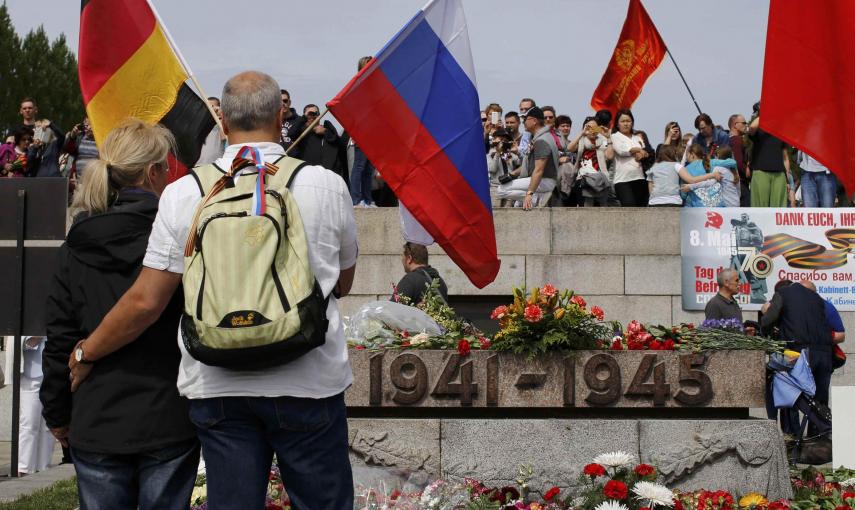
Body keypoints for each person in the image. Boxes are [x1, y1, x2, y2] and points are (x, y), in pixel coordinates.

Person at [65, 71, 357, 508]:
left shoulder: (185, 193)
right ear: (282, 116)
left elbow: (147, 300)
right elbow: (343, 282)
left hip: (218, 381)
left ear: (223, 124)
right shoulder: (325, 184)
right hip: (308, 378)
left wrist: (87, 353)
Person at [40, 119, 199, 509]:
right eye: (165, 166)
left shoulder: (76, 245)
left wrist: (57, 412)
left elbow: (60, 335)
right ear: (153, 173)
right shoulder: (178, 240)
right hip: (166, 413)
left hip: (99, 416)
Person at [761, 280, 833, 434]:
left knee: (790, 397)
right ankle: (819, 443)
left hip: (798, 353)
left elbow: (768, 321)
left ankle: (792, 441)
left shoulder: (783, 294)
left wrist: (765, 316)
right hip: (824, 355)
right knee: (819, 403)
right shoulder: (818, 299)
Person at [496, 106, 558, 210]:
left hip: (545, 181)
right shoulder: (541, 137)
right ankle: (536, 197)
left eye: (525, 119)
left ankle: (538, 198)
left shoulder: (542, 140)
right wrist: (512, 174)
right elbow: (530, 164)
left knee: (501, 190)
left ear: (534, 121)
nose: (523, 122)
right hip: (543, 180)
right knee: (517, 204)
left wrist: (529, 194)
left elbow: (539, 170)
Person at [748, 104, 792, 207]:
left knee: (779, 209)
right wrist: (764, 113)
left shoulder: (781, 130)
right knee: (760, 207)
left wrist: (788, 180)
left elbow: (785, 157)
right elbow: (751, 127)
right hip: (761, 172)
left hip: (779, 174)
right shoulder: (758, 128)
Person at [648, 145, 720, 207]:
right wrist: (712, 175)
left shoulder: (653, 168)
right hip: (673, 201)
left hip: (654, 202)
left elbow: (651, 190)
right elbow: (692, 180)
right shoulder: (676, 165)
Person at [567, 117, 613, 207]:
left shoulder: (603, 141)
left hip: (600, 179)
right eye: (589, 128)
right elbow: (570, 148)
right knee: (585, 208)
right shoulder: (581, 141)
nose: (592, 130)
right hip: (583, 179)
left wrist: (608, 138)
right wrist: (582, 133)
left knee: (600, 209)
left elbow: (610, 156)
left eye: (595, 128)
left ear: (599, 128)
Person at [610, 109, 650, 206]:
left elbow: (646, 153)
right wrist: (638, 150)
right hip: (622, 180)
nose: (626, 124)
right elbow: (622, 151)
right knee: (629, 207)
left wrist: (641, 153)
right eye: (623, 121)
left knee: (641, 209)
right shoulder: (614, 136)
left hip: (640, 177)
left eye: (628, 121)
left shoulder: (638, 138)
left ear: (632, 123)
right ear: (617, 124)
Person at [299, 104, 346, 182]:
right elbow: (291, 133)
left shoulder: (325, 129)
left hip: (326, 175)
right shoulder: (300, 132)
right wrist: (304, 118)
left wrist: (325, 131)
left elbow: (339, 143)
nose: (312, 116)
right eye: (309, 114)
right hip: (307, 174)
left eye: (315, 114)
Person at [487, 128, 520, 207]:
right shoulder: (490, 154)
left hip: (510, 186)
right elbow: (492, 169)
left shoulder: (510, 155)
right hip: (496, 187)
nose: (503, 142)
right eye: (501, 139)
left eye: (505, 140)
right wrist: (498, 153)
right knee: (495, 214)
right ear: (494, 139)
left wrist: (517, 152)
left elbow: (521, 166)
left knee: (508, 213)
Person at [727, 114, 751, 206]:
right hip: (741, 183)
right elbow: (738, 162)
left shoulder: (728, 140)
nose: (746, 125)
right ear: (735, 125)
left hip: (733, 182)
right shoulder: (737, 140)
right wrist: (748, 172)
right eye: (744, 123)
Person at [278, 88, 303, 154]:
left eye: (285, 101)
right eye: (279, 101)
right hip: (276, 160)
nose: (283, 103)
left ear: (289, 102)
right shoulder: (271, 121)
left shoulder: (300, 120)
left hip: (294, 160)